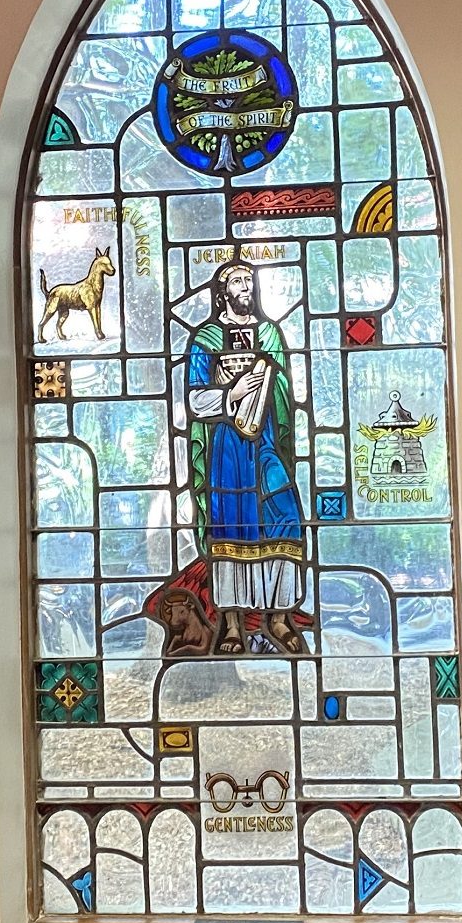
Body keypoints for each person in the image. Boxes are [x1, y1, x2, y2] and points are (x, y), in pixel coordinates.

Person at [185, 259, 307, 654]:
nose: (246, 287)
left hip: (266, 442)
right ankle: (233, 625)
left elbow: (285, 387)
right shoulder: (205, 338)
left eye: (249, 281)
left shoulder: (269, 332)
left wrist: (268, 381)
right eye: (238, 281)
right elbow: (193, 398)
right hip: (226, 447)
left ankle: (278, 617)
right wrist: (232, 394)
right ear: (223, 291)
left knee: (286, 517)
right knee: (230, 528)